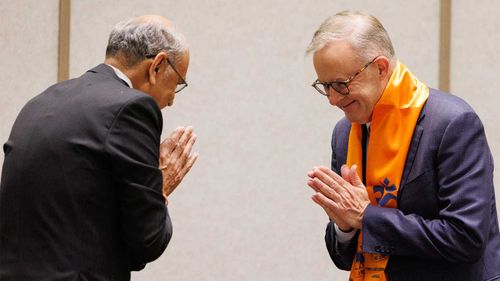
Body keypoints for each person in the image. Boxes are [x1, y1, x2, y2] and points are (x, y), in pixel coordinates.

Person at [305, 10, 500, 281]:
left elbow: (466, 238)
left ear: (381, 68)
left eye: (341, 84)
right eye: (325, 86)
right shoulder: (344, 133)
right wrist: (344, 226)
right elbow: (344, 258)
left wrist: (365, 216)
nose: (332, 100)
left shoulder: (452, 124)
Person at [0, 15, 198, 281]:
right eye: (177, 84)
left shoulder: (39, 103)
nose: (172, 101)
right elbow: (147, 242)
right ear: (158, 66)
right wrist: (160, 186)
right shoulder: (132, 108)